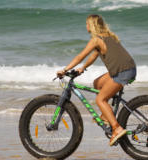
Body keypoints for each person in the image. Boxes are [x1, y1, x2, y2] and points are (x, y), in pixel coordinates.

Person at [57, 14, 136, 146]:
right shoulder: (108, 37)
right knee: (97, 83)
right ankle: (106, 116)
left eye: (87, 24)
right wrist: (83, 68)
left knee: (100, 99)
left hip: (122, 73)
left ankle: (117, 128)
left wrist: (65, 70)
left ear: (92, 25)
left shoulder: (96, 40)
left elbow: (80, 56)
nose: (86, 26)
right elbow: (94, 55)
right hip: (129, 69)